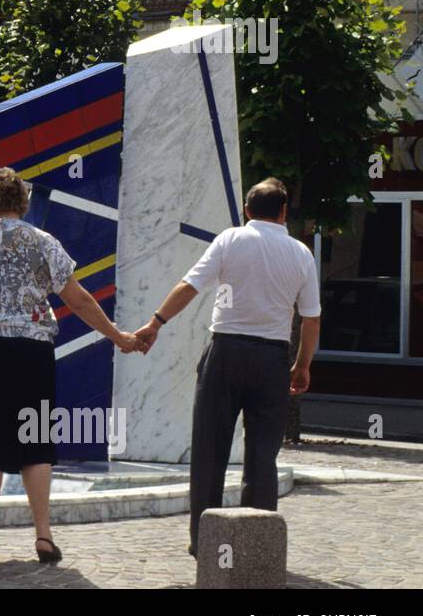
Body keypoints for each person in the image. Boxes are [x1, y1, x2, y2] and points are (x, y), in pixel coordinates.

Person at [0, 167, 145, 566]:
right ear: (23, 204)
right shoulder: (44, 242)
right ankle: (44, 537)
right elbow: (79, 300)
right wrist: (119, 337)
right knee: (35, 444)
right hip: (32, 354)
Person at [134, 177, 320, 555]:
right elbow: (312, 317)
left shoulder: (230, 240)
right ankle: (257, 544)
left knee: (210, 448)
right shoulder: (301, 253)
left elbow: (189, 285)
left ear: (248, 210)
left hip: (226, 354)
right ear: (284, 212)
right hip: (272, 359)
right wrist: (302, 365)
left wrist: (155, 323)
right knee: (263, 455)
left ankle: (205, 542)